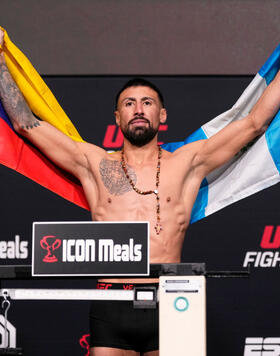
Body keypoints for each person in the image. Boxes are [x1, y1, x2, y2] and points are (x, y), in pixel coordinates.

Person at [1, 29, 280, 356]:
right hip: (111, 299)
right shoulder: (93, 163)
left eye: (147, 103)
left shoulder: (188, 163)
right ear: (117, 117)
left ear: (161, 115)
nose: (138, 109)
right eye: (129, 104)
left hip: (174, 296)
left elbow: (254, 124)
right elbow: (25, 124)